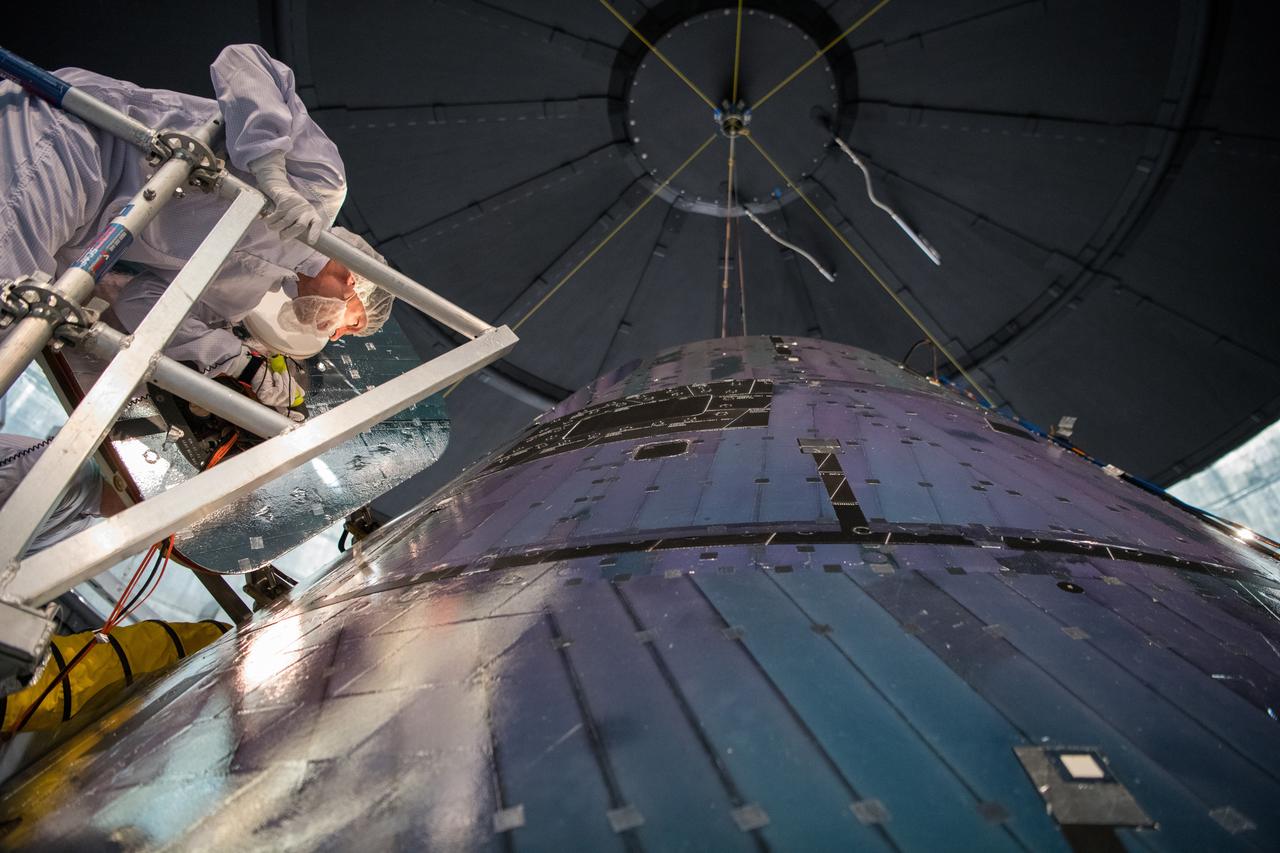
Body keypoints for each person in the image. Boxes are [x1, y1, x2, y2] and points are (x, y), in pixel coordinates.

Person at [0, 44, 395, 407]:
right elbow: (242, 60)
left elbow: (141, 301)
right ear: (355, 279)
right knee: (9, 313)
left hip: (77, 220)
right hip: (76, 143)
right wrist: (271, 170)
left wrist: (237, 361)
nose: (336, 335)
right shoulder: (322, 187)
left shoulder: (242, 297)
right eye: (353, 323)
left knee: (17, 331)